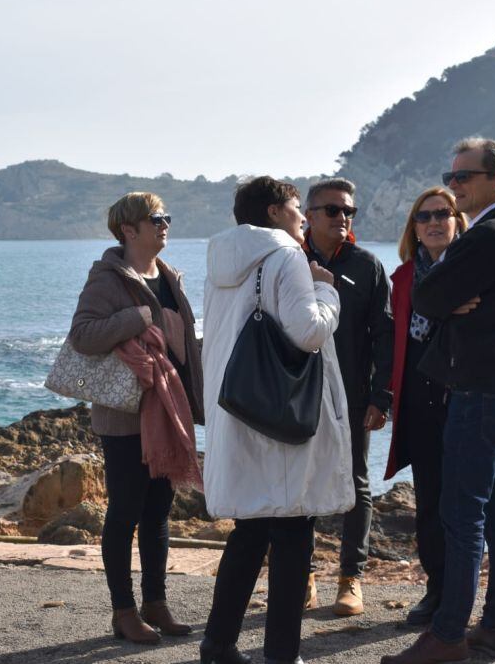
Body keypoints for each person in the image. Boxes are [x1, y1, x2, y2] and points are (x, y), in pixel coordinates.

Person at [382, 139, 495, 664]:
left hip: (478, 393)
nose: (455, 186)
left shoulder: (489, 234)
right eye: (450, 177)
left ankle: (448, 634)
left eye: (464, 178)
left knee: (462, 514)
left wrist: (447, 299)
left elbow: (427, 297)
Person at [200, 176, 353, 664]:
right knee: (292, 533)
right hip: (279, 416)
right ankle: (282, 655)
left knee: (249, 532)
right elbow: (307, 332)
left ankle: (218, 645)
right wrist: (328, 293)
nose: (303, 217)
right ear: (272, 212)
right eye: (294, 207)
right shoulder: (286, 255)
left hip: (239, 407)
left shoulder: (221, 262)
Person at [68, 192, 204, 645]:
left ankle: (156, 603)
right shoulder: (107, 279)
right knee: (125, 511)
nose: (165, 223)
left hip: (167, 410)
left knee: (159, 512)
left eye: (167, 215)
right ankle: (123, 612)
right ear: (129, 229)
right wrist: (136, 317)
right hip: (126, 416)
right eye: (156, 218)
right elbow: (83, 335)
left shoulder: (169, 276)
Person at [300, 177, 394, 616]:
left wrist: (382, 396)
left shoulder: (368, 265)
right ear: (310, 216)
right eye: (333, 210)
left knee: (355, 483)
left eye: (349, 211)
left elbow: (386, 336)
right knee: (299, 483)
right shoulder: (289, 261)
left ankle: (350, 580)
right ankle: (303, 577)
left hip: (353, 399)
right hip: (297, 396)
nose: (343, 218)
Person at [381, 187, 468, 627]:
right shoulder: (403, 277)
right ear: (414, 228)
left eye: (443, 214)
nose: (434, 222)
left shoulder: (471, 270)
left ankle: (462, 595)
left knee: (466, 504)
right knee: (429, 503)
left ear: (457, 220)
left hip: (464, 400)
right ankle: (436, 590)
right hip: (417, 403)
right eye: (424, 216)